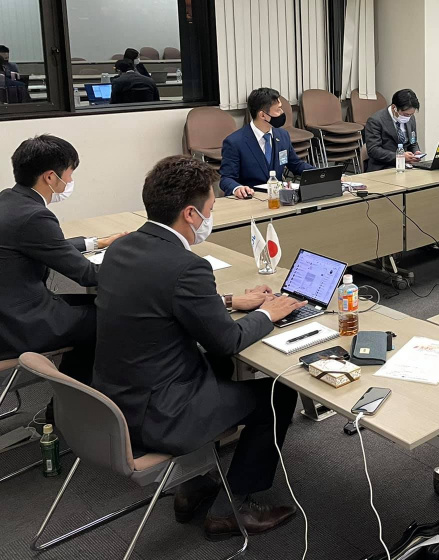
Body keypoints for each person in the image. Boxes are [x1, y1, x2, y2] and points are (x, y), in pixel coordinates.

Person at [93, 156, 306, 539]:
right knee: (278, 393)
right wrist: (269, 313)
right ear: (190, 214)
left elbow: (157, 300)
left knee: (218, 370)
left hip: (116, 398)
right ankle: (231, 510)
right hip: (160, 415)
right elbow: (227, 342)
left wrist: (230, 301)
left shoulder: (121, 249)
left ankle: (193, 486)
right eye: (210, 207)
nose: (211, 215)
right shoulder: (187, 266)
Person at [0, 136, 125, 389]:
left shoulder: (8, 199)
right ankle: (76, 396)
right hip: (20, 324)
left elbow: (44, 247)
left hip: (10, 308)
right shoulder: (35, 216)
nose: (70, 180)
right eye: (70, 173)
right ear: (50, 177)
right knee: (112, 317)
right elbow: (88, 275)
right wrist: (142, 264)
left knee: (97, 306)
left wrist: (97, 242)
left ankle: (70, 389)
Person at [220, 87, 311, 198]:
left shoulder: (283, 136)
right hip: (251, 199)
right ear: (263, 115)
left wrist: (320, 173)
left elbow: (296, 165)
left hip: (278, 198)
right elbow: (226, 178)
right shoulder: (234, 142)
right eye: (278, 110)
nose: (282, 113)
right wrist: (237, 188)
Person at [364, 88, 424, 171]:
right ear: (394, 108)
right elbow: (373, 150)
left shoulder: (410, 118)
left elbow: (413, 142)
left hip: (406, 165)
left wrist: (416, 153)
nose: (408, 117)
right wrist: (400, 156)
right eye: (405, 114)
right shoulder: (375, 121)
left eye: (411, 114)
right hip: (384, 166)